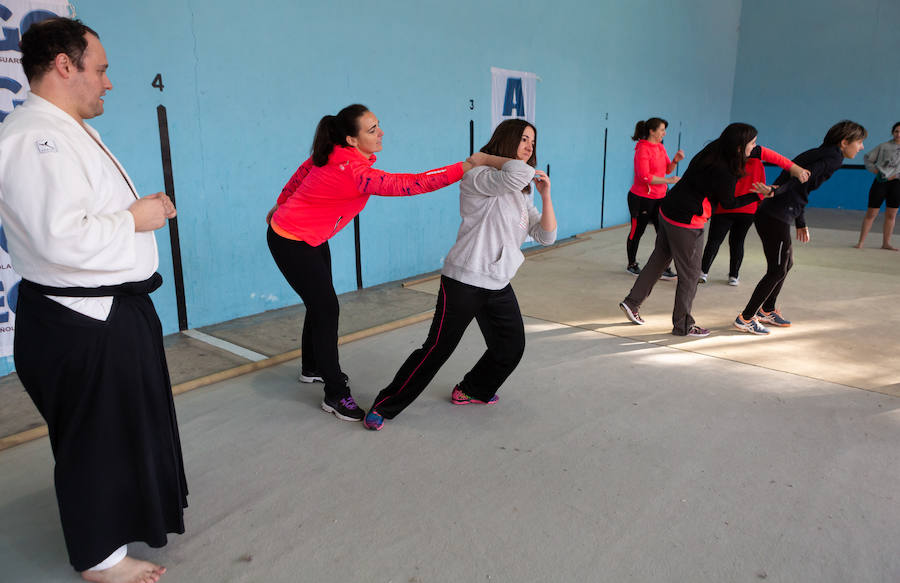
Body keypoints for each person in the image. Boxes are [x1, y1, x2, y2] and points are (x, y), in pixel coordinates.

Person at [0, 18, 186, 582]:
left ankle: (123, 524)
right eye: (100, 69)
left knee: (120, 430)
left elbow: (82, 212)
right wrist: (136, 218)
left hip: (108, 312)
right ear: (64, 64)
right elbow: (60, 236)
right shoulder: (35, 137)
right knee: (94, 442)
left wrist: (134, 212)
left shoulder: (61, 127)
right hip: (81, 320)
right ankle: (100, 561)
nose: (108, 82)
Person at [267, 104, 477, 422]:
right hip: (290, 242)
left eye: (378, 125)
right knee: (326, 308)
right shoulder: (354, 172)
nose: (381, 133)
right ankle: (335, 394)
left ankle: (312, 367)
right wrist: (465, 167)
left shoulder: (333, 152)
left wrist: (281, 204)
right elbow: (411, 184)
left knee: (320, 303)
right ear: (351, 140)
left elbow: (301, 174)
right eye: (372, 129)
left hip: (310, 237)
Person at [362, 119, 557, 431]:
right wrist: (484, 158)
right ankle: (384, 406)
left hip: (498, 282)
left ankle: (472, 389)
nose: (530, 147)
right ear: (505, 141)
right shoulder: (479, 175)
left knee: (511, 347)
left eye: (533, 141)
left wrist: (545, 195)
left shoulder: (522, 191)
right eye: (523, 139)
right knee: (437, 349)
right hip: (464, 280)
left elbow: (545, 236)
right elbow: (516, 172)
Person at [619, 123, 779, 337]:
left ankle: (632, 302)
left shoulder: (714, 149)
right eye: (752, 143)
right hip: (686, 220)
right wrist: (759, 195)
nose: (755, 148)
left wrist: (792, 168)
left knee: (659, 259)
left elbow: (758, 153)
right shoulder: (725, 170)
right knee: (691, 274)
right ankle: (683, 324)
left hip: (669, 209)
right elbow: (728, 203)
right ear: (739, 147)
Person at [735, 120, 867, 335]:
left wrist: (800, 220)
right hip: (774, 215)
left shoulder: (820, 152)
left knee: (786, 264)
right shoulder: (833, 157)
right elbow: (802, 178)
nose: (861, 147)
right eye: (860, 142)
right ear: (844, 142)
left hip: (779, 212)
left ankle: (767, 309)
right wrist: (775, 192)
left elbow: (802, 185)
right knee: (777, 268)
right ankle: (746, 317)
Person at [700, 146, 808, 285]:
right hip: (748, 210)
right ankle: (734, 276)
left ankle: (703, 272)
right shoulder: (758, 164)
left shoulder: (729, 162)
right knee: (738, 242)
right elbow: (762, 187)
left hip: (724, 209)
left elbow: (718, 185)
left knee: (714, 241)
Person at [625, 118, 684, 280]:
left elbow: (666, 169)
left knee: (664, 232)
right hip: (641, 199)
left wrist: (675, 161)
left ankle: (663, 267)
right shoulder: (642, 149)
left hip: (660, 197)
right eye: (662, 130)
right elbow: (644, 177)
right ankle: (631, 264)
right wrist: (669, 181)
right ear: (652, 131)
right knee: (638, 231)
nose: (664, 133)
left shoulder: (660, 147)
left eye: (665, 130)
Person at [854, 121, 900, 251]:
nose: (898, 134)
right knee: (871, 213)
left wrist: (895, 176)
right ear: (892, 132)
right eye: (896, 131)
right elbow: (868, 158)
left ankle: (886, 243)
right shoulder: (884, 146)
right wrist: (877, 171)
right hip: (881, 183)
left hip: (897, 185)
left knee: (891, 215)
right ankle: (861, 242)